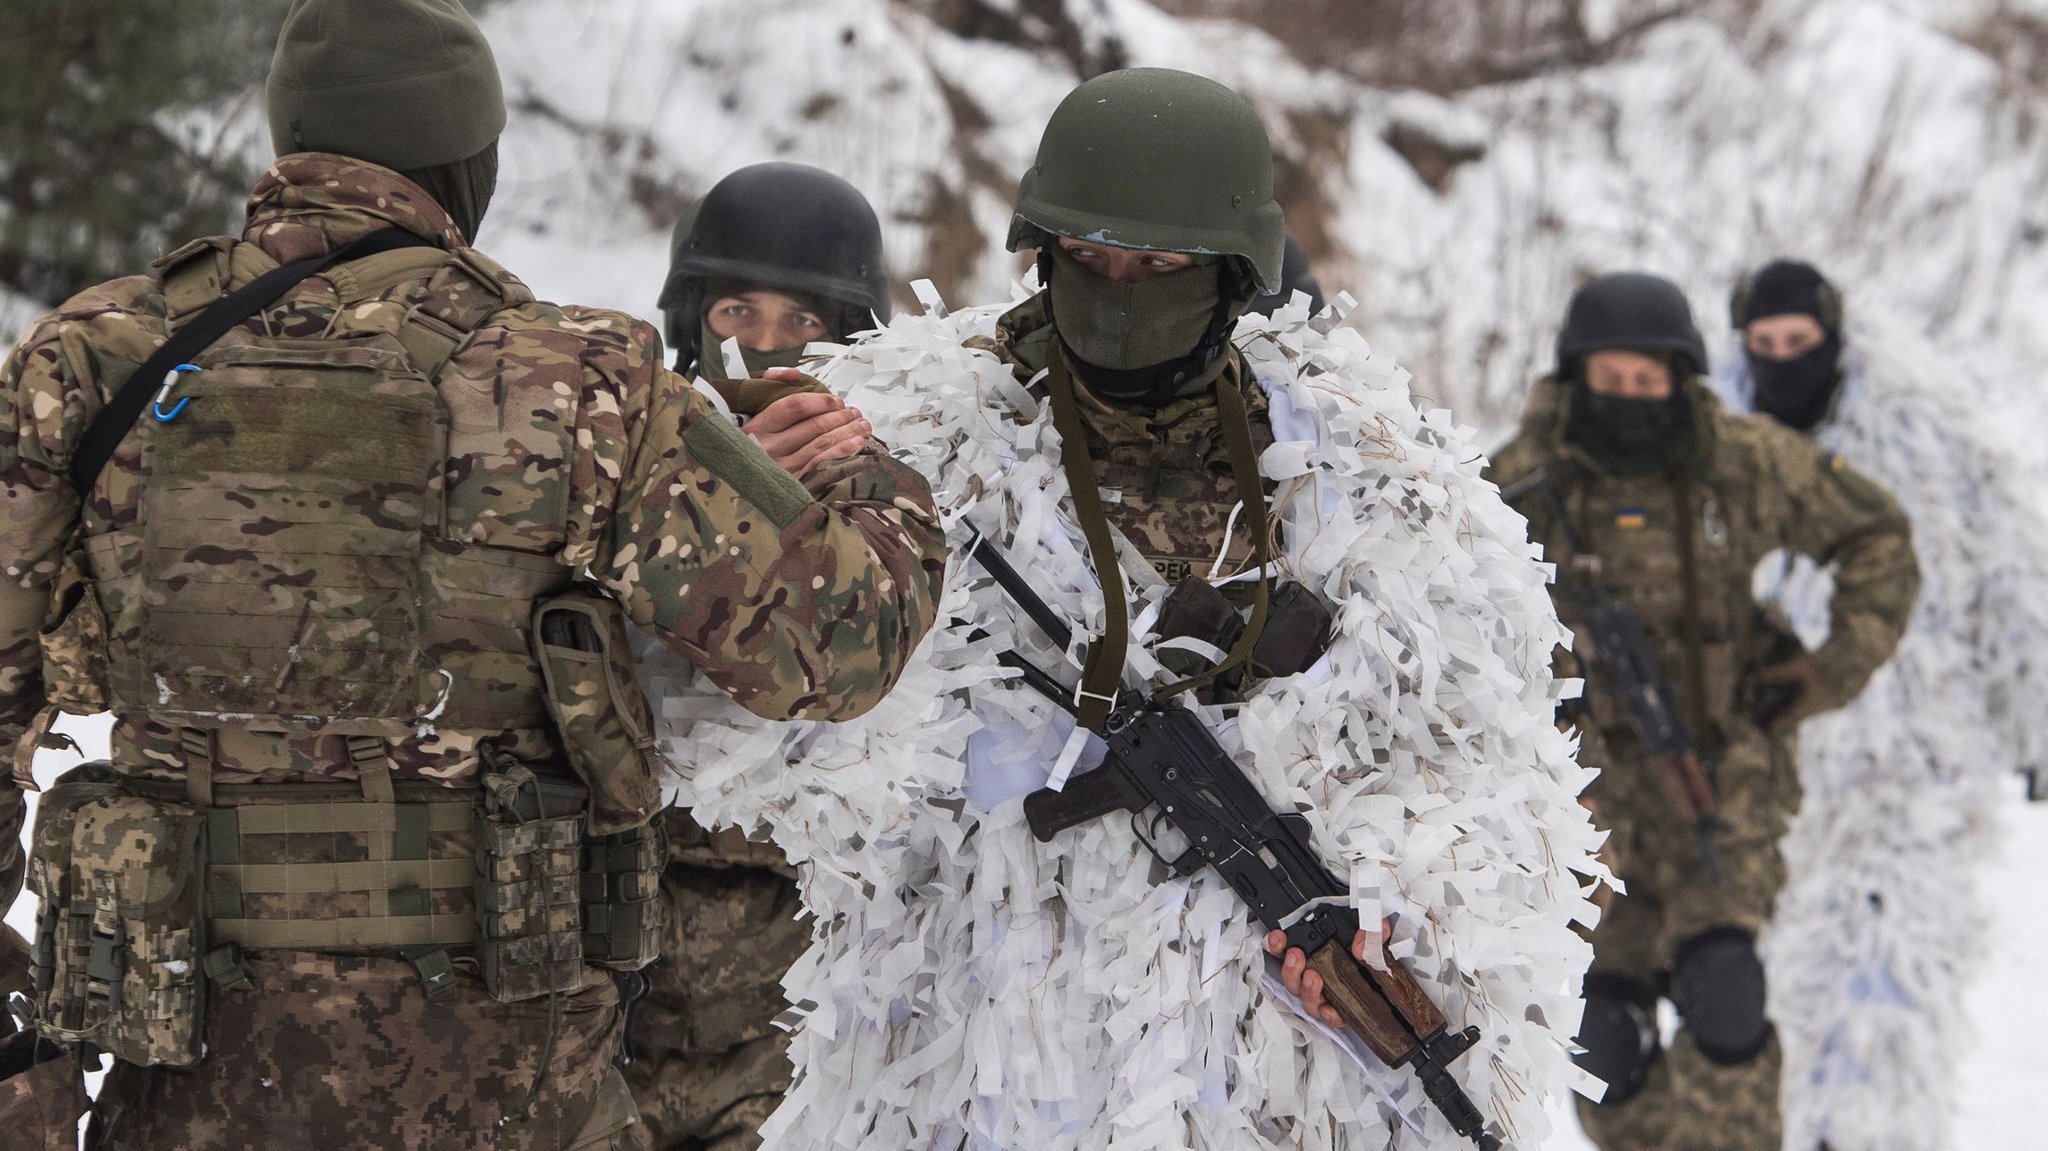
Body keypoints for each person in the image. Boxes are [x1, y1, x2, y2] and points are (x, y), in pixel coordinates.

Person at [0, 1, 946, 1147]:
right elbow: (837, 647)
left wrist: (24, 1051)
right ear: (475, 163)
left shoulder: (91, 361)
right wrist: (865, 467)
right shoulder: (577, 378)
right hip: (511, 1079)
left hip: (192, 1068)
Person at [645, 67, 1603, 1150]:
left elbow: (1471, 775)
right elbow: (761, 745)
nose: (1117, 290)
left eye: (1156, 266)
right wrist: (758, 526)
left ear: (1233, 275)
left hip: (1258, 1076)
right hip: (966, 1053)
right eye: (1088, 260)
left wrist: (1386, 921)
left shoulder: (1367, 468)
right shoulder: (908, 425)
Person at [1488, 272, 1919, 1151]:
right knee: (1605, 1034)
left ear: (1681, 379)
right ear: (1578, 378)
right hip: (1583, 803)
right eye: (1612, 380)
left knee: (1725, 991)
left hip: (1720, 781)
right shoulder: (1519, 483)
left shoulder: (1739, 459)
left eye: (1651, 382)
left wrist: (1826, 673)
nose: (1632, 399)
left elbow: (1878, 536)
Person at [1717, 261, 2048, 1151]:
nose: (1788, 361)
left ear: (1836, 337)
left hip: (1910, 767)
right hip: (1765, 783)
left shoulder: (1927, 444)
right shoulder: (1710, 456)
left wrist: (2036, 718)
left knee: (1888, 998)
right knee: (1777, 1000)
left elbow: (2017, 577)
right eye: (1769, 345)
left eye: (1803, 344)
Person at [629, 161, 896, 1151]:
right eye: (738, 309)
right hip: (610, 980)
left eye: (805, 322)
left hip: (802, 1013)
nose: (766, 346)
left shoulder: (894, 485)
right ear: (692, 315)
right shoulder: (616, 452)